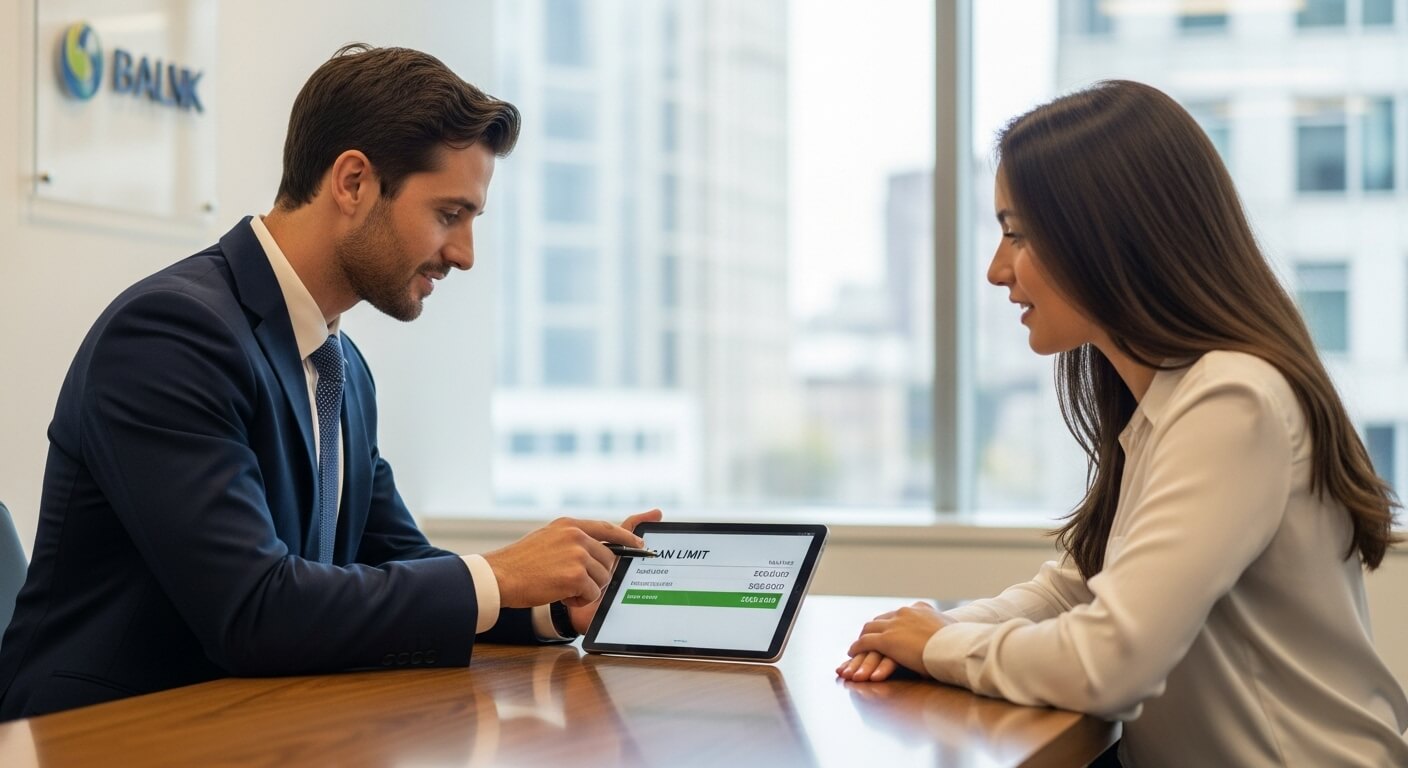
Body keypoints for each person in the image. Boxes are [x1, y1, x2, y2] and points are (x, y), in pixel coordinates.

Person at [0, 43, 658, 720]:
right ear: (352, 183)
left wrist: (552, 599)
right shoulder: (170, 334)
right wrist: (501, 573)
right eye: (448, 214)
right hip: (102, 737)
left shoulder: (341, 369)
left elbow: (394, 566)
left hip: (256, 727)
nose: (463, 254)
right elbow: (255, 609)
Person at [837, 80, 1408, 766]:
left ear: (1107, 237)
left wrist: (935, 643)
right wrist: (929, 630)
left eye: (1016, 235)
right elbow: (1074, 586)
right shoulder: (1167, 397)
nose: (996, 271)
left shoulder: (1233, 400)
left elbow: (1109, 663)